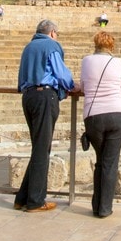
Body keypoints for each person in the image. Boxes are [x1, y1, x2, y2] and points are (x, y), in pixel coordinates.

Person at [14, 19, 76, 212]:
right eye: (57, 33)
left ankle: (22, 198)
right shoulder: (51, 46)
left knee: (38, 147)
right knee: (42, 149)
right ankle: (36, 201)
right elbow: (61, 73)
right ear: (52, 33)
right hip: (44, 97)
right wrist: (72, 86)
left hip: (29, 97)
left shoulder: (28, 47)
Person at [78, 31, 121, 218]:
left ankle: (97, 205)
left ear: (95, 44)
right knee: (110, 162)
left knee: (101, 161)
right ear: (111, 46)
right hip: (117, 114)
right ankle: (104, 208)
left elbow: (83, 87)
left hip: (94, 116)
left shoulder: (86, 61)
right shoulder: (118, 62)